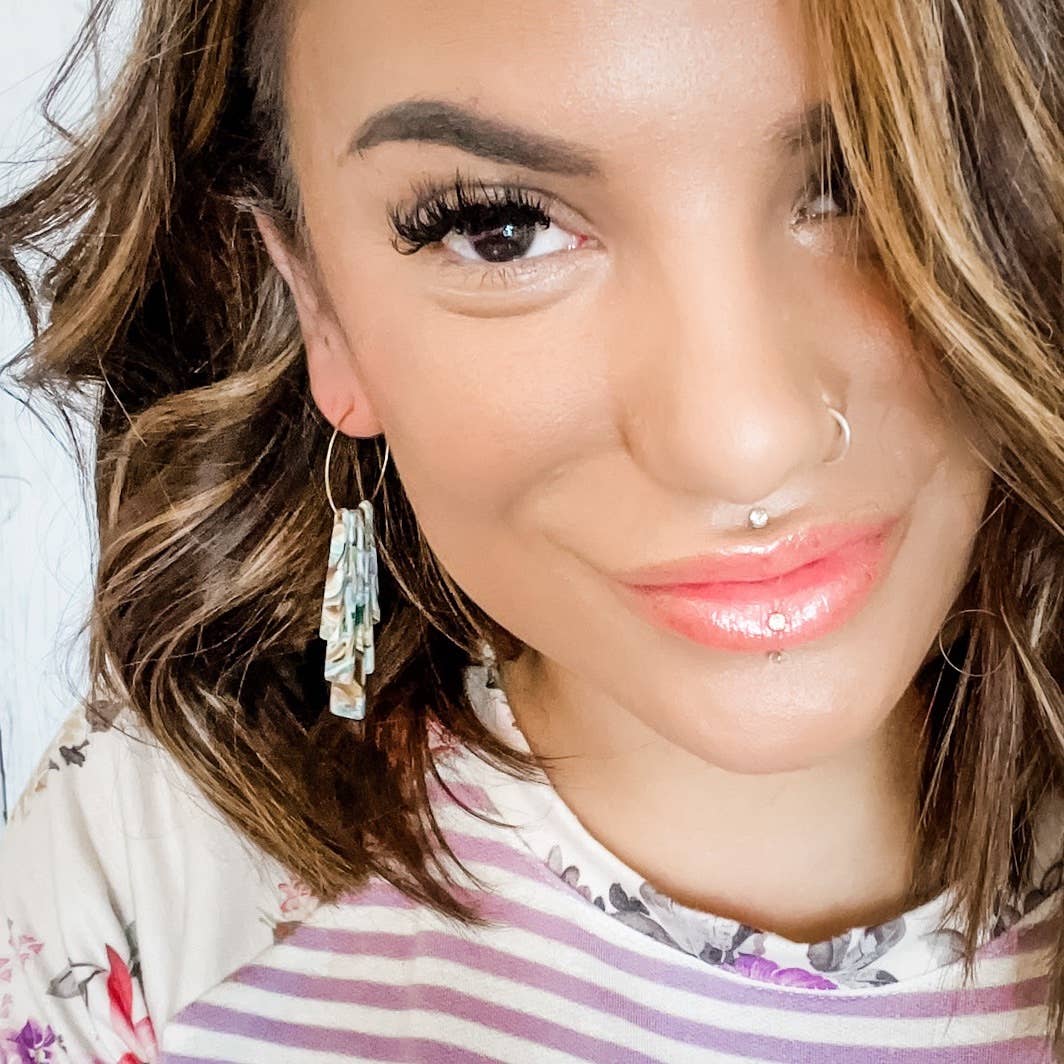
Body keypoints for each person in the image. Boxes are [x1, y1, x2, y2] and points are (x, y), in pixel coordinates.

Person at [0, 0, 1060, 1060]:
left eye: (866, 174)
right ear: (317, 302)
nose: (742, 442)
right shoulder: (152, 867)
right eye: (499, 228)